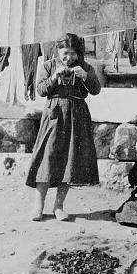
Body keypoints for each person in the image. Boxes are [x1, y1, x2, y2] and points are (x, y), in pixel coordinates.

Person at [25, 33, 101, 221]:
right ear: (58, 51)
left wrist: (86, 77)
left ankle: (59, 206)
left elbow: (96, 89)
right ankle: (38, 206)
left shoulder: (85, 67)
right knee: (47, 157)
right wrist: (53, 78)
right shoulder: (48, 66)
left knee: (69, 159)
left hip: (77, 115)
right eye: (65, 53)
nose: (69, 58)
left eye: (73, 54)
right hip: (54, 115)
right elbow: (41, 90)